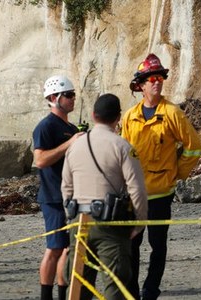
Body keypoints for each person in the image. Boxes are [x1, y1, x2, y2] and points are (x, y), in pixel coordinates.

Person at [121, 53, 201, 300]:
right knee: (132, 246)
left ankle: (151, 290)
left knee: (158, 245)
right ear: (141, 85)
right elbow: (123, 152)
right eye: (151, 78)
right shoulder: (130, 116)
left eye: (159, 77)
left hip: (160, 194)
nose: (157, 82)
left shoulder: (172, 113)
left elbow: (194, 146)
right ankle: (132, 292)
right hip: (134, 195)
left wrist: (177, 173)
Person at [61, 93, 148, 299]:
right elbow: (137, 188)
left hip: (79, 222)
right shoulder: (123, 147)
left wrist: (70, 217)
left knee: (78, 285)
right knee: (115, 285)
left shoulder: (75, 146)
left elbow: (66, 186)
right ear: (118, 118)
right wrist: (139, 223)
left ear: (93, 115)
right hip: (111, 224)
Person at [33, 75, 85, 300]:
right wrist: (71, 142)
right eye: (69, 95)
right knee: (54, 248)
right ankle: (46, 295)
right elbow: (41, 160)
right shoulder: (45, 126)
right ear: (54, 98)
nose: (74, 99)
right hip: (53, 197)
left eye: (74, 94)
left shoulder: (70, 127)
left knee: (68, 249)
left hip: (71, 196)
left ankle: (64, 294)